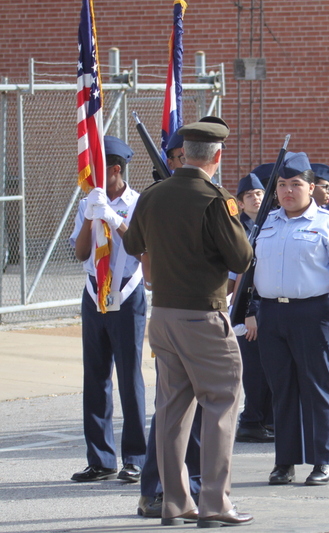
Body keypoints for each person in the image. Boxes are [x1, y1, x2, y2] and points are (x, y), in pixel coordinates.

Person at [123, 120, 255, 527]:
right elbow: (241, 259)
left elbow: (132, 245)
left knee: (172, 410)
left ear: (185, 152)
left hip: (162, 314)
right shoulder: (215, 199)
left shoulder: (152, 195)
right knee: (220, 404)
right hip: (203, 315)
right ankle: (215, 502)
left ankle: (175, 502)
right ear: (217, 156)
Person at [253, 152, 329, 487]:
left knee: (317, 389)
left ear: (311, 187)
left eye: (296, 184)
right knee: (282, 390)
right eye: (282, 185)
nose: (287, 191)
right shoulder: (265, 223)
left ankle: (323, 460)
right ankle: (284, 461)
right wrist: (240, 310)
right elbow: (246, 268)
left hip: (313, 313)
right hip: (271, 313)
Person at [69, 136, 146, 484]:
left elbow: (142, 248)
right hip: (93, 293)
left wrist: (115, 219)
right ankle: (100, 458)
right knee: (96, 377)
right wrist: (90, 215)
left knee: (129, 378)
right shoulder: (88, 200)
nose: (91, 178)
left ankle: (135, 457)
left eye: (98, 170)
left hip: (127, 293)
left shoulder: (139, 203)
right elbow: (82, 253)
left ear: (115, 169)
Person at [137, 131, 203, 519]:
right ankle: (158, 488)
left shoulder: (209, 197)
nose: (188, 162)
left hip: (211, 311)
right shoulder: (158, 200)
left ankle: (189, 487)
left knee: (196, 411)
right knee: (172, 410)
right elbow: (142, 257)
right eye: (181, 156)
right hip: (178, 313)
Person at [231, 169, 274, 444]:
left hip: (269, 307)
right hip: (248, 309)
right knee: (255, 369)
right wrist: (248, 312)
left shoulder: (272, 223)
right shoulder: (237, 229)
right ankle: (251, 421)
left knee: (270, 367)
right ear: (240, 202)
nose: (256, 198)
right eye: (249, 195)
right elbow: (240, 277)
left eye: (259, 193)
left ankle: (266, 418)